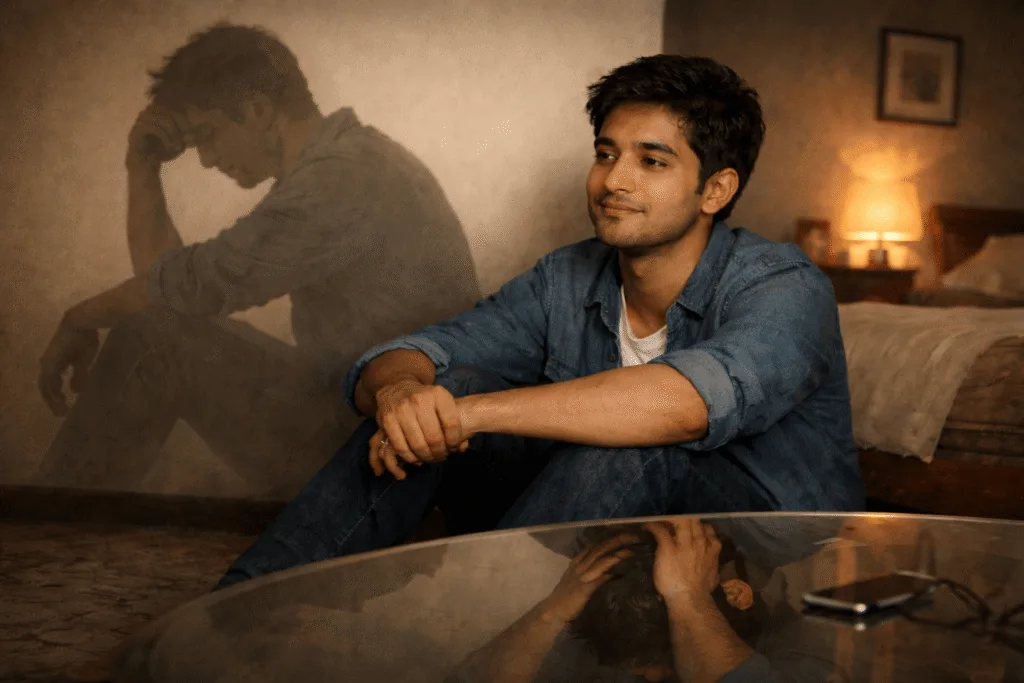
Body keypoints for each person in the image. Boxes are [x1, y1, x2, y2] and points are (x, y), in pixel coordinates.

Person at [214, 53, 865, 588]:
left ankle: (472, 631)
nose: (614, 180)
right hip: (595, 517)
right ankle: (245, 606)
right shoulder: (568, 277)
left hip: (762, 540)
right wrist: (404, 396)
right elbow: (416, 350)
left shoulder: (784, 284)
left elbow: (685, 402)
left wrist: (470, 415)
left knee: (627, 437)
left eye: (652, 160)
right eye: (607, 153)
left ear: (716, 190)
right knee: (450, 385)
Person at [33, 23, 480, 498]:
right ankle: (52, 527)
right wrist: (143, 165)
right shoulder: (353, 160)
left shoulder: (342, 179)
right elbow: (171, 289)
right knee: (160, 328)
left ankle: (37, 542)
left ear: (259, 110)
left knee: (155, 339)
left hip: (392, 450)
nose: (205, 159)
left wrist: (79, 318)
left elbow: (189, 288)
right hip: (375, 422)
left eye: (208, 135)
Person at [444, 518, 781, 683]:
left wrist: (687, 597)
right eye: (636, 668)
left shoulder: (785, 646)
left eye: (656, 665)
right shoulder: (595, 641)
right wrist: (551, 613)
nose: (648, 677)